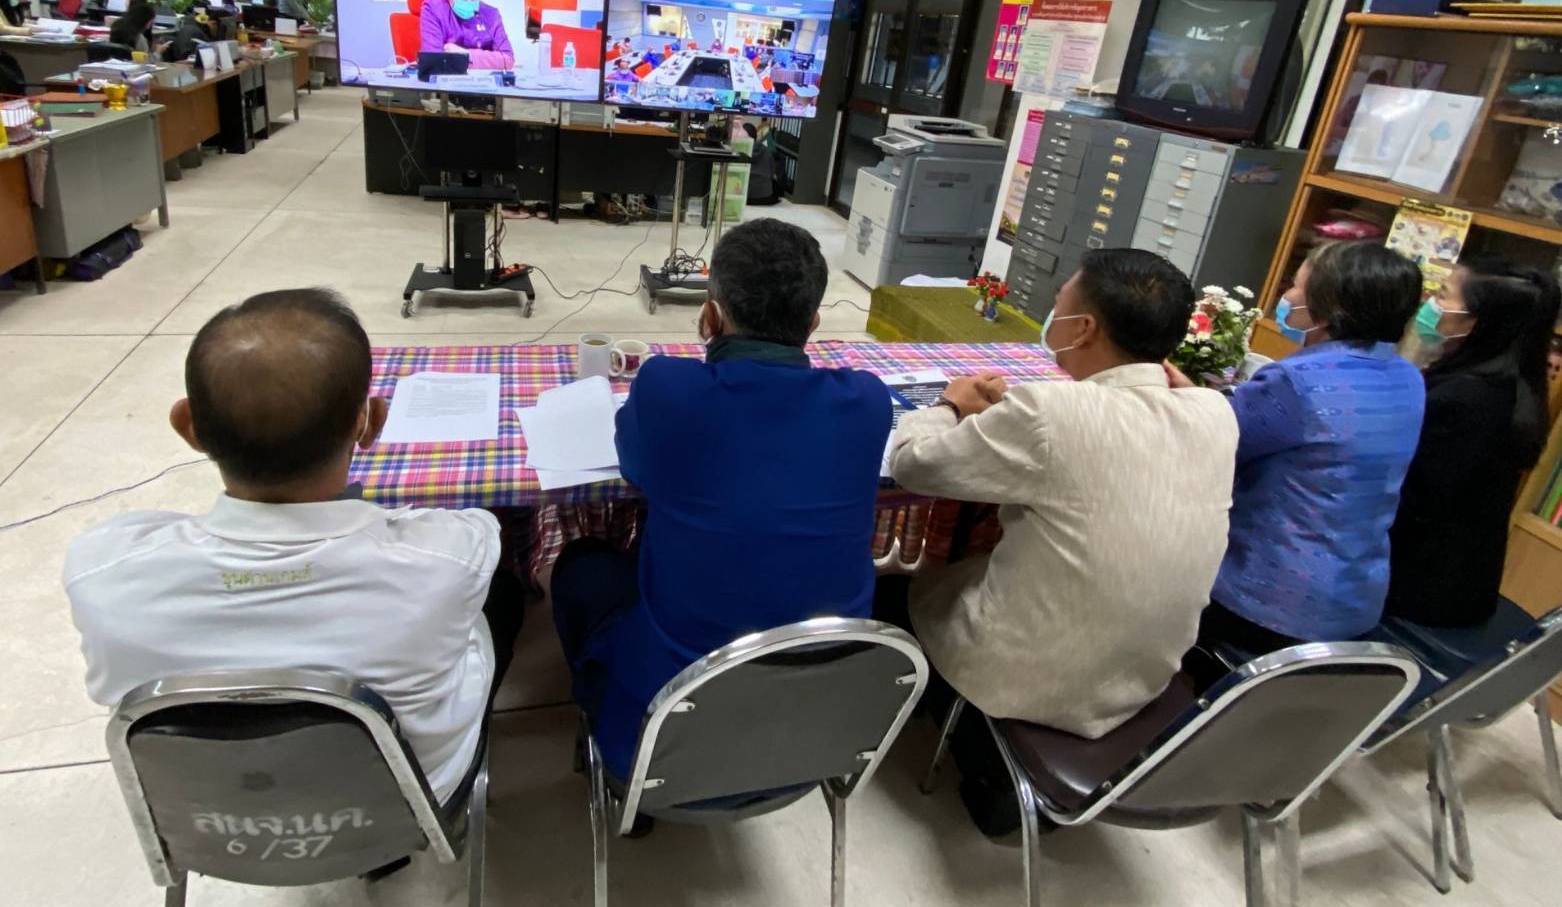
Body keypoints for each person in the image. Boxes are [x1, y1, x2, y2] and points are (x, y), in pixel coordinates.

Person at [63, 289, 522, 805]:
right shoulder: (446, 558)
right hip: (415, 805)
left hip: (212, 815)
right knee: (502, 595)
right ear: (368, 422)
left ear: (189, 427)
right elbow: (481, 530)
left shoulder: (101, 569)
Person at [883, 249, 1239, 833]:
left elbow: (914, 465)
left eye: (1060, 302)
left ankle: (949, 717)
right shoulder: (1216, 413)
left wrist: (950, 405)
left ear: (1085, 327)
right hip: (1144, 674)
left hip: (1026, 671)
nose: (1054, 310)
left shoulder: (1049, 411)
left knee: (916, 581)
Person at [550, 218, 892, 782]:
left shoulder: (667, 388)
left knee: (581, 567)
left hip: (663, 731)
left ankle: (601, 722)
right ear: (813, 323)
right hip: (816, 731)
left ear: (708, 317)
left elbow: (634, 465)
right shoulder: (868, 402)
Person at [1200, 241, 1426, 654]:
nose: (1287, 296)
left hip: (1267, 602)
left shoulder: (1296, 380)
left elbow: (1212, 444)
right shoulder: (1409, 377)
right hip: (1356, 601)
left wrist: (1189, 401)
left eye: (1297, 287)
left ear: (1329, 308)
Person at [1386, 258, 1561, 626]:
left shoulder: (1467, 400)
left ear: (1477, 322)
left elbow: (1413, 505)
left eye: (1444, 295)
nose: (1432, 304)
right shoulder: (1509, 385)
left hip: (1424, 588)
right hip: (1462, 581)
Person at [419, 0, 513, 69]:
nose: (469, 0)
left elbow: (507, 59)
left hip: (482, 78)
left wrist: (467, 56)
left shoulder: (491, 15)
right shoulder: (433, 10)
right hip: (448, 79)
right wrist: (488, 60)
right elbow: (434, 61)